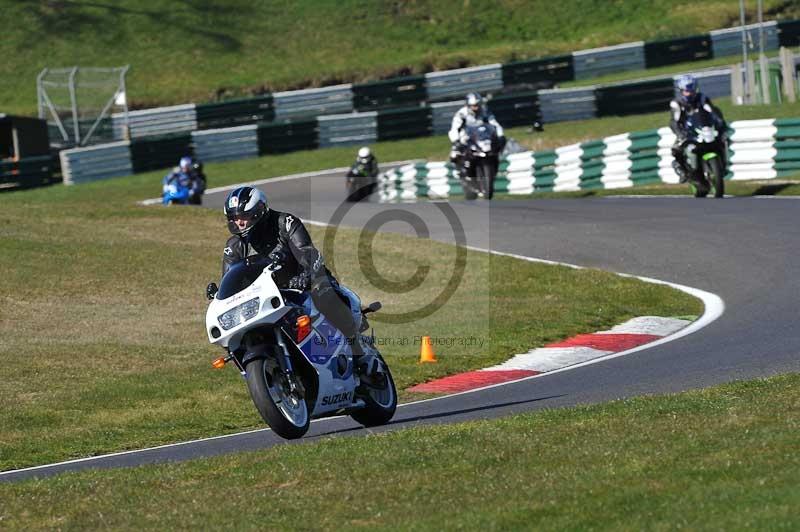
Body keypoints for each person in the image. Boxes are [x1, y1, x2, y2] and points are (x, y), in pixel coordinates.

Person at [209, 186, 380, 378]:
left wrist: (306, 275)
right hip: (270, 296)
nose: (239, 222)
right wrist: (219, 297)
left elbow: (307, 252)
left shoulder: (285, 223)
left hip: (306, 281)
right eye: (234, 218)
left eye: (244, 216)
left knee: (320, 293)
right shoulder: (234, 246)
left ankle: (358, 351)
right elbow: (229, 280)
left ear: (258, 211)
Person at [669, 74, 727, 183]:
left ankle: (723, 164)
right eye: (687, 91)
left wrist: (720, 122)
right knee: (676, 149)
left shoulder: (702, 98)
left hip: (703, 129)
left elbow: (713, 111)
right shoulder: (676, 104)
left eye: (692, 90)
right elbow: (674, 122)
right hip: (687, 131)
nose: (690, 93)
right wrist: (680, 134)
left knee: (722, 139)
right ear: (681, 91)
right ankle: (682, 171)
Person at [448, 92, 506, 176]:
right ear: (468, 105)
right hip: (467, 138)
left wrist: (501, 135)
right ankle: (458, 169)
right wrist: (456, 141)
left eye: (478, 105)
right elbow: (454, 129)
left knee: (496, 147)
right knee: (455, 153)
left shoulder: (485, 111)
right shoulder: (461, 114)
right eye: (473, 105)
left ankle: (495, 164)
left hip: (483, 137)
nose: (476, 108)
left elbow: (495, 124)